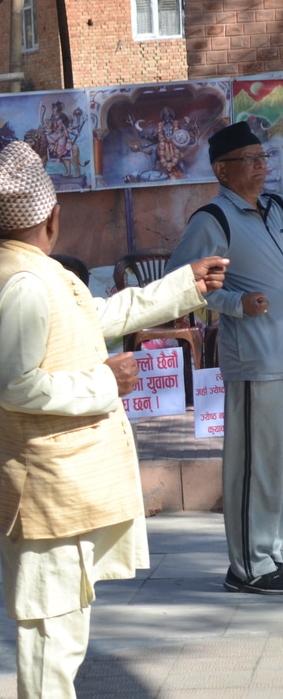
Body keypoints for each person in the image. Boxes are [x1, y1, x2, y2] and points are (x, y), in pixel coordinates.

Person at [0, 141, 227, 698]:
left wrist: (184, 286)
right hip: (46, 488)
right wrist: (108, 383)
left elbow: (97, 316)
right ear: (53, 217)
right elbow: (16, 385)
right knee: (52, 633)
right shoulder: (28, 283)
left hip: (54, 487)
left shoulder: (21, 268)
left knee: (61, 627)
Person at [167, 121, 283, 595]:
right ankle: (248, 566)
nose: (261, 167)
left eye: (264, 158)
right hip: (255, 357)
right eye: (250, 160)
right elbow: (181, 284)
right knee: (253, 464)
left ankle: (272, 551)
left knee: (277, 463)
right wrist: (236, 304)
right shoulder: (212, 220)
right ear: (222, 169)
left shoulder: (275, 208)